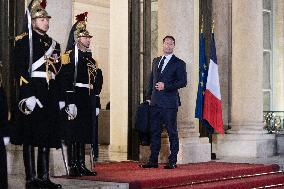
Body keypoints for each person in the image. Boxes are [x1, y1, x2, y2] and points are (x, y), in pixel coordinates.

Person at [13, 0, 62, 188]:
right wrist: (27, 95)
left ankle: (44, 177)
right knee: (30, 137)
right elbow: (19, 70)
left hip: (49, 95)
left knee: (46, 136)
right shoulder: (23, 41)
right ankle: (30, 178)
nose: (45, 22)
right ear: (33, 22)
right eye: (41, 19)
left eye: (46, 19)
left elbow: (56, 73)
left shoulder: (53, 44)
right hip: (32, 93)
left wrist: (59, 99)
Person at [58, 12, 97, 177]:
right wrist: (69, 101)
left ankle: (81, 163)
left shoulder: (89, 59)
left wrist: (96, 102)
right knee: (73, 132)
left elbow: (95, 82)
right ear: (77, 38)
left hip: (87, 98)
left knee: (83, 132)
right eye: (85, 37)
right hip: (76, 97)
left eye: (89, 37)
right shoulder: (69, 57)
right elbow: (65, 80)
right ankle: (73, 163)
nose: (88, 39)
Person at [141, 35, 187, 169]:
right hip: (155, 103)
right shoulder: (156, 61)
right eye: (166, 43)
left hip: (169, 104)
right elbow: (151, 80)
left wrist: (165, 86)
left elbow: (183, 82)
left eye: (171, 44)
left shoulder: (179, 63)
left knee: (172, 131)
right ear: (163, 45)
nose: (168, 46)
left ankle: (173, 160)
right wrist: (148, 97)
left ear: (174, 46)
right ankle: (153, 160)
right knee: (154, 132)